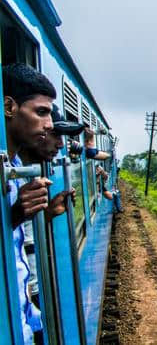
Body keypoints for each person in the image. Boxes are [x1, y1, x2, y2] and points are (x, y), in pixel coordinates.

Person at [3, 63, 57, 344]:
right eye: (41, 112)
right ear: (9, 107)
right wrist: (12, 216)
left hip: (24, 317)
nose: (48, 124)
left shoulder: (15, 165)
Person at [19, 103, 82, 317]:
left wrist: (46, 214)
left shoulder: (30, 176)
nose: (61, 144)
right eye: (55, 134)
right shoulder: (15, 178)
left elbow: (22, 235)